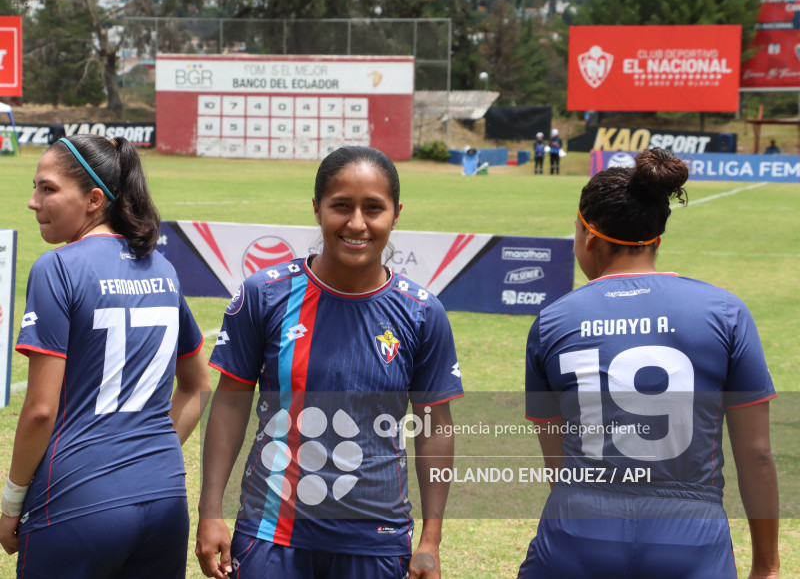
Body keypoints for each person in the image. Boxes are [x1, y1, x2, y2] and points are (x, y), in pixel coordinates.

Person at [196, 145, 463, 579]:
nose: (357, 223)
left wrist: (430, 540)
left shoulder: (421, 312)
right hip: (271, 534)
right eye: (342, 206)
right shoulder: (264, 295)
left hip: (375, 538)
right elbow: (229, 404)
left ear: (396, 214)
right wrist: (210, 511)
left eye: (373, 208)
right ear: (317, 208)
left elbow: (434, 426)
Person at [518, 147, 779, 578]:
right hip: (691, 536)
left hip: (580, 528)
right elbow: (757, 456)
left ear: (589, 235)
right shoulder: (725, 312)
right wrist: (767, 566)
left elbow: (559, 462)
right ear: (656, 236)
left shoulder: (553, 320)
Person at [0, 135, 211, 578]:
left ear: (94, 199)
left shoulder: (57, 268)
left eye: (47, 189)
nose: (33, 202)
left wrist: (10, 503)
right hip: (166, 502)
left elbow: (40, 410)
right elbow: (197, 385)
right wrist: (146, 459)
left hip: (78, 504)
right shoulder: (162, 268)